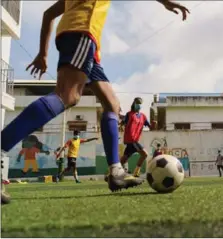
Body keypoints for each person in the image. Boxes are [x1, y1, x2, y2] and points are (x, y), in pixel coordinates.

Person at [0, 0, 190, 192]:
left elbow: (48, 14)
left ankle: (116, 171)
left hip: (83, 42)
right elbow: (48, 14)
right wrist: (166, 2)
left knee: (112, 105)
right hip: (82, 33)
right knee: (67, 96)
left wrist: (43, 54)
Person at [119, 97, 151, 177]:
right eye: (137, 103)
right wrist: (121, 125)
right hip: (131, 139)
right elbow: (123, 123)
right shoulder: (129, 114)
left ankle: (110, 173)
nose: (139, 105)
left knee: (123, 159)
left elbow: (150, 126)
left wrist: (153, 125)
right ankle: (136, 173)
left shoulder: (143, 116)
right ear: (134, 104)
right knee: (144, 154)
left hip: (134, 140)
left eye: (140, 104)